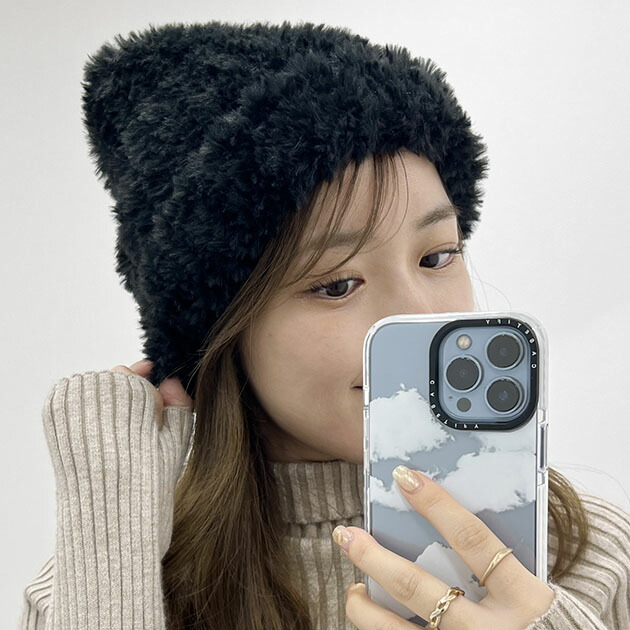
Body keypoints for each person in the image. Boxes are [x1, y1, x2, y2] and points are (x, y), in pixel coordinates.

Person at [20, 20, 629, 630]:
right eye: (336, 285)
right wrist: (110, 547)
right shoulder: (97, 587)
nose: (421, 316)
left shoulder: (595, 558)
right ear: (222, 331)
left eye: (438, 256)